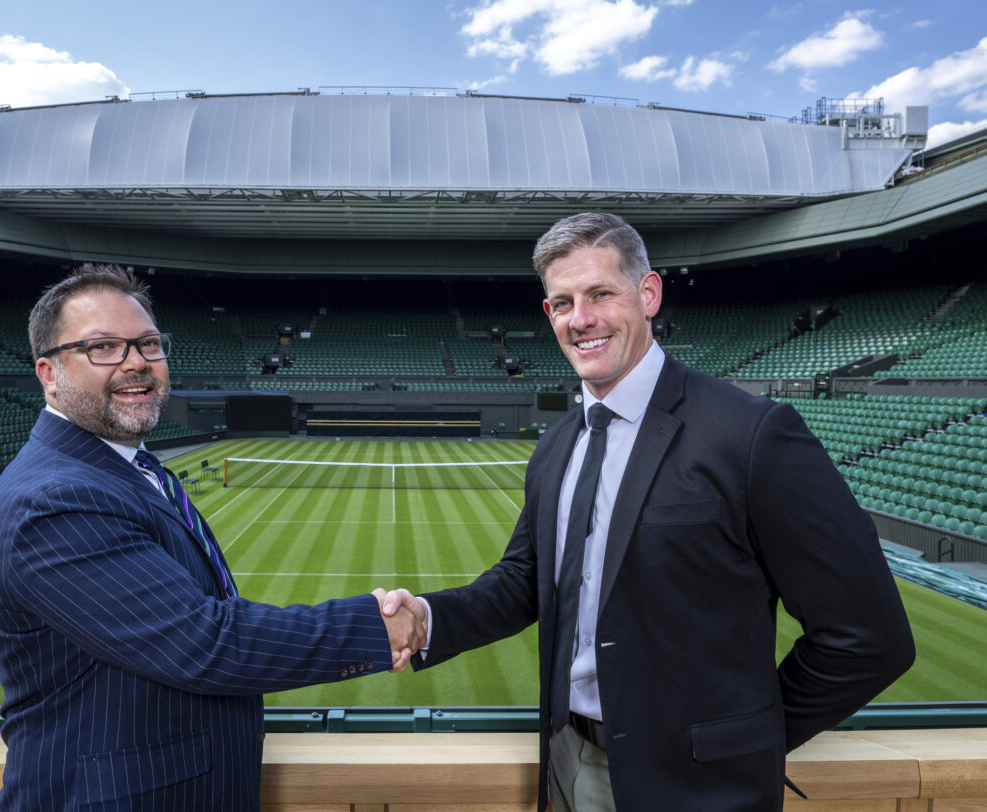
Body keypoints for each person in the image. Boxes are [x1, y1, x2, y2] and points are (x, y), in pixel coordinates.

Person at [383, 212, 914, 811]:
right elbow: (527, 581)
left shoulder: (751, 435)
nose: (580, 319)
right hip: (563, 761)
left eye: (600, 294)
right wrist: (427, 619)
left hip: (696, 787)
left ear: (649, 293)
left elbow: (869, 638)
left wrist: (739, 743)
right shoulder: (558, 444)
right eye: (562, 303)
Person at [0, 265, 425, 811]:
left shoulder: (130, 469)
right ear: (49, 372)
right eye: (104, 347)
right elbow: (204, 642)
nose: (136, 361)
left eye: (148, 344)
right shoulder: (55, 501)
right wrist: (375, 626)